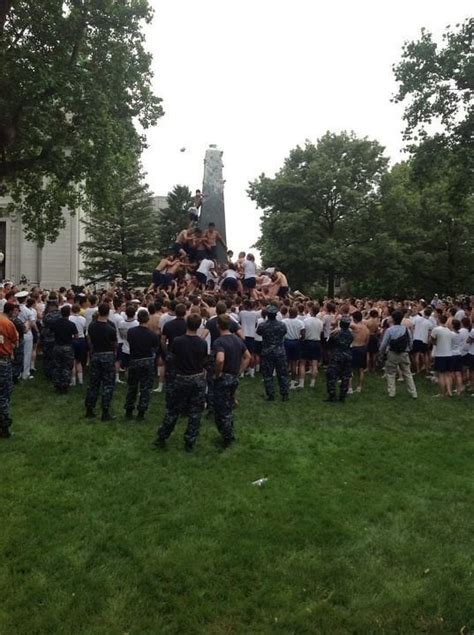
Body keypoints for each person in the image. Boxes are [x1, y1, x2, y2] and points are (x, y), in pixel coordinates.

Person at [154, 313, 208, 451]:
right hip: (197, 378)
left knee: (173, 410)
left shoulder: (178, 341)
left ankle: (162, 436)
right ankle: (190, 441)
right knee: (195, 412)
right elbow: (203, 361)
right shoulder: (202, 342)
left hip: (181, 377)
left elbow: (172, 358)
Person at [213, 314, 250, 448]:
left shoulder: (219, 342)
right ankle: (229, 433)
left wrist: (218, 374)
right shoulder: (238, 340)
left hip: (223, 378)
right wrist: (239, 371)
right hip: (233, 377)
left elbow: (220, 359)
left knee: (221, 410)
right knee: (228, 406)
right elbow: (247, 356)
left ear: (218, 326)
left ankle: (226, 437)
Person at [124, 309, 159, 420]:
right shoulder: (152, 335)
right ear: (147, 319)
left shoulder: (131, 332)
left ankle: (129, 410)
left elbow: (130, 342)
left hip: (134, 360)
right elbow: (155, 348)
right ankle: (141, 412)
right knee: (145, 388)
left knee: (132, 387)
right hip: (147, 360)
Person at [85, 303, 117, 421]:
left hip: (96, 355)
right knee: (108, 385)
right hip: (107, 355)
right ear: (108, 312)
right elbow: (114, 345)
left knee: (94, 384)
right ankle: (105, 411)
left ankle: (89, 408)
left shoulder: (92, 326)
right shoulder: (111, 329)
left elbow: (89, 340)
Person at [379, 310, 417, 399]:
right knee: (407, 373)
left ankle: (392, 393)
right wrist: (409, 349)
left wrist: (381, 352)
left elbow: (384, 344)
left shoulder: (389, 330)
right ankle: (413, 393)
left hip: (392, 353)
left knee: (391, 373)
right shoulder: (406, 329)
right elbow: (410, 342)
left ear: (393, 319)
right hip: (404, 353)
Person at [256, 304, 289, 402]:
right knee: (282, 374)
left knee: (268, 375)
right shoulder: (282, 325)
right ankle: (284, 394)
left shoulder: (262, 325)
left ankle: (270, 395)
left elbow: (259, 333)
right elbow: (284, 333)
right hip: (280, 352)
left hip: (267, 352)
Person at [50, 305, 78, 393]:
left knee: (57, 366)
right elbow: (76, 336)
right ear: (69, 313)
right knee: (67, 367)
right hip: (67, 347)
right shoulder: (71, 324)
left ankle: (57, 384)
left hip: (57, 346)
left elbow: (51, 332)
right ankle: (65, 385)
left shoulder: (55, 323)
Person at [0, 306, 18, 438]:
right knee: (4, 394)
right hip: (3, 361)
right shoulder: (7, 323)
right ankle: (4, 427)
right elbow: (14, 342)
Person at [325, 316, 353, 403]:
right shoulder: (351, 335)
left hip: (336, 356)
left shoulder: (335, 333)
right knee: (345, 377)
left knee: (331, 376)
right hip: (347, 356)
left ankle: (332, 395)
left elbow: (328, 345)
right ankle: (342, 396)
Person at [431, 314, 454, 397]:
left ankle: (442, 393)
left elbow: (432, 340)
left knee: (441, 375)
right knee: (448, 375)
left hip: (440, 354)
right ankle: (449, 392)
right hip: (449, 354)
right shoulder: (449, 331)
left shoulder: (436, 329)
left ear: (439, 320)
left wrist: (436, 343)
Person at [302, 306, 323, 388]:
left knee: (303, 363)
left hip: (307, 341)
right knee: (314, 363)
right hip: (317, 342)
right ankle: (312, 382)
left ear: (311, 311)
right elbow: (321, 332)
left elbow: (303, 331)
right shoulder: (320, 322)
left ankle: (301, 382)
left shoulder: (306, 320)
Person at [349, 311, 369, 393]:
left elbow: (346, 323)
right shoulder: (366, 329)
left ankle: (349, 388)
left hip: (354, 348)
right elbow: (367, 341)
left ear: (355, 319)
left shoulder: (355, 326)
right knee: (361, 370)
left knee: (349, 369)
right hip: (363, 348)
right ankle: (359, 387)